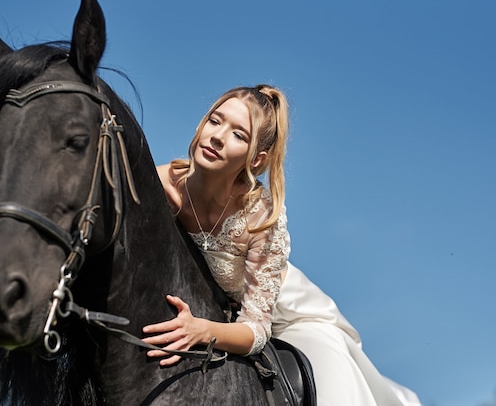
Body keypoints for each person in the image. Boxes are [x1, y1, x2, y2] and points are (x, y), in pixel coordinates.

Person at [142, 85, 421, 405]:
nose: (218, 137)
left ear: (257, 158)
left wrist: (203, 330)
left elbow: (257, 331)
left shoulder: (262, 218)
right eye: (215, 121)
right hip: (223, 309)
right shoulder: (158, 182)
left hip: (288, 317)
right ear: (201, 124)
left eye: (239, 135)